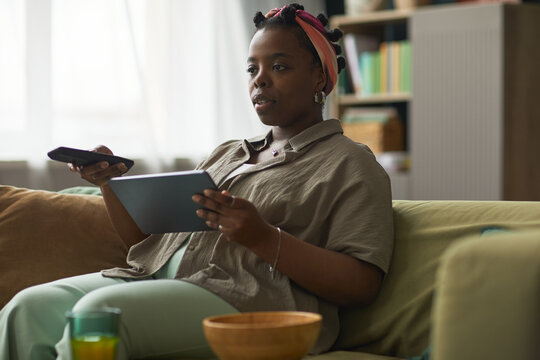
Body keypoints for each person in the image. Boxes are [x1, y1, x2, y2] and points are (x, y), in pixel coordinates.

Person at [0, 3, 394, 359]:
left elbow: (362, 284)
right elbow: (143, 245)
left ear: (320, 79)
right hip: (156, 280)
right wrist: (109, 184)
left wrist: (262, 237)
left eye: (279, 66)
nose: (260, 80)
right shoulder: (228, 153)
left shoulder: (350, 163)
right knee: (28, 307)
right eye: (252, 68)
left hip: (253, 305)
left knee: (97, 316)